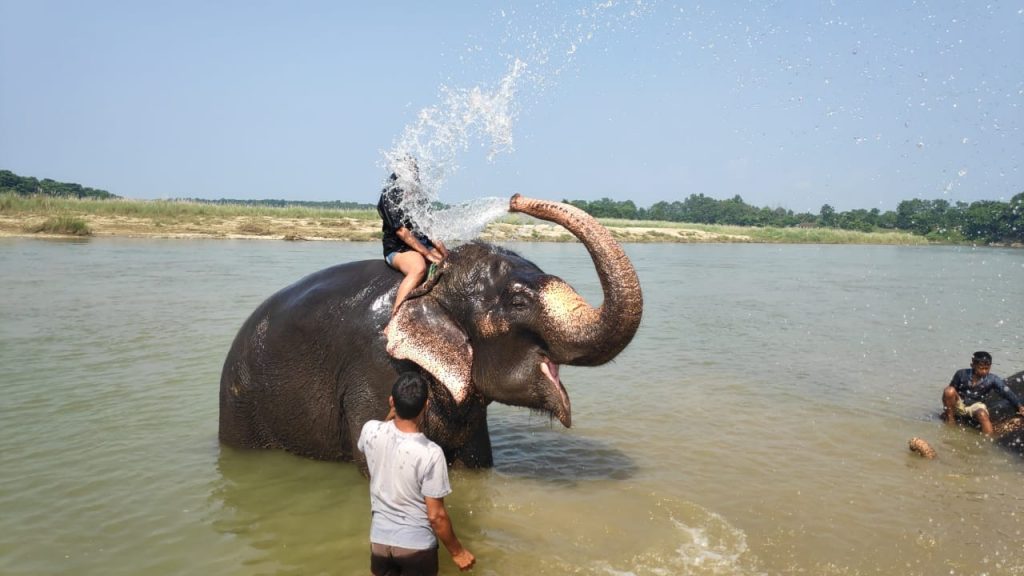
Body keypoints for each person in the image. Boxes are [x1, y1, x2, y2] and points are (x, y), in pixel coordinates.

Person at [357, 372, 476, 575]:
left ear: (391, 401)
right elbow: (436, 516)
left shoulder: (370, 431)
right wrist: (458, 552)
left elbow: (381, 434)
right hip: (416, 548)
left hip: (379, 543)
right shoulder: (431, 453)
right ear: (426, 406)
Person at [377, 160, 448, 315]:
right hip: (398, 249)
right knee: (418, 268)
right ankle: (396, 317)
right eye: (411, 172)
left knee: (447, 264)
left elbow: (430, 229)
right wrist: (428, 254)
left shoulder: (419, 197)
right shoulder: (390, 196)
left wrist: (446, 254)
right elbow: (402, 232)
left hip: (422, 244)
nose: (415, 175)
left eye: (415, 171)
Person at [942, 351, 1024, 436]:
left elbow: (1006, 391)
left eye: (987, 368)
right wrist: (947, 409)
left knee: (982, 414)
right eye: (981, 368)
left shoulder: (993, 379)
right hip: (960, 403)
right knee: (949, 390)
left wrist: (1019, 406)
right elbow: (949, 393)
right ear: (972, 365)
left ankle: (988, 440)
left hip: (976, 405)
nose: (984, 371)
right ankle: (950, 421)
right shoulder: (961, 374)